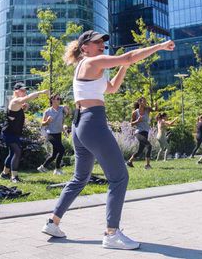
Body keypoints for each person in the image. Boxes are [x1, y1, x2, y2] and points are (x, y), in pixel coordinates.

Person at [41, 30, 174, 249]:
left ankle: (53, 222)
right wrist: (158, 47)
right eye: (97, 42)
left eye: (103, 42)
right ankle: (111, 234)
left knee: (80, 178)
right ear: (85, 47)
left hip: (80, 125)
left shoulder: (89, 68)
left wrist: (124, 67)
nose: (102, 44)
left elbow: (111, 88)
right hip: (92, 123)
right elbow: (130, 56)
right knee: (119, 177)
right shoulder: (92, 62)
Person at [1, 82, 48, 183]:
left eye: (25, 90)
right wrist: (41, 92)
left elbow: (17, 115)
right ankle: (14, 177)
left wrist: (24, 109)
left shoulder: (18, 103)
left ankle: (4, 174)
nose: (24, 92)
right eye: (22, 90)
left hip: (13, 133)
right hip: (9, 133)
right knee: (17, 152)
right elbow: (26, 99)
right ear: (16, 91)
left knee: (12, 153)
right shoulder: (15, 101)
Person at [38, 94, 70, 175]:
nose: (59, 100)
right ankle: (57, 169)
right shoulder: (48, 111)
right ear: (52, 100)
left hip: (58, 133)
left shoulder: (62, 109)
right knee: (62, 150)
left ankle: (43, 167)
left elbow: (65, 117)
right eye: (58, 99)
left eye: (60, 99)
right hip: (50, 134)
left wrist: (64, 131)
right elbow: (42, 123)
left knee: (54, 155)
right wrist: (47, 121)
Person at [126, 97, 155, 169]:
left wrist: (156, 105)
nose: (145, 103)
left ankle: (129, 162)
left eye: (146, 101)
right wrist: (137, 121)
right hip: (138, 132)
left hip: (146, 132)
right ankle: (147, 165)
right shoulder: (135, 112)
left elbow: (155, 110)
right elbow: (131, 124)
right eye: (144, 101)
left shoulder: (147, 110)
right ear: (139, 102)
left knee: (140, 151)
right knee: (149, 146)